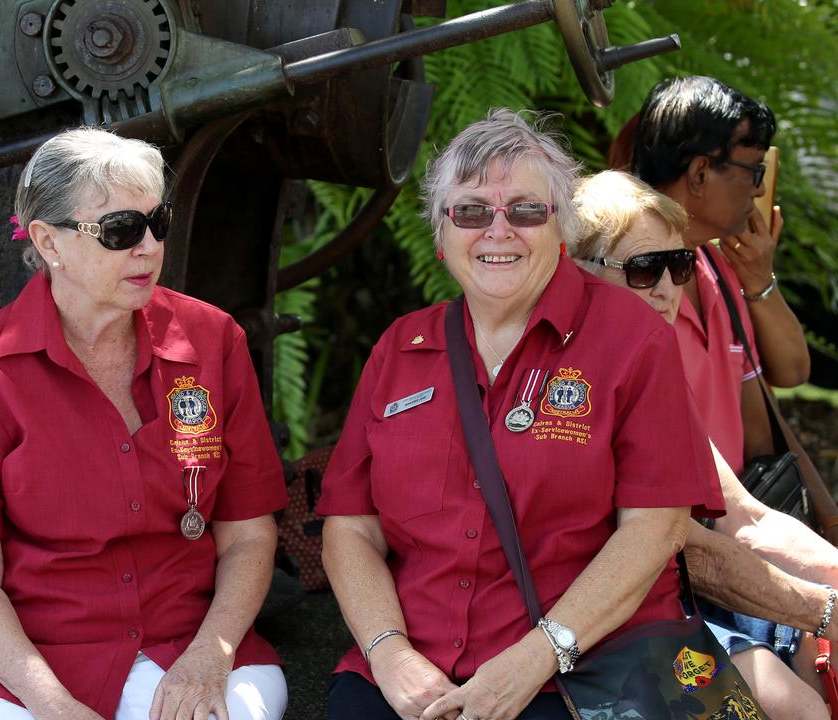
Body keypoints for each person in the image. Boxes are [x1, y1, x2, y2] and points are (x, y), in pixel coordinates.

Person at [317, 109, 724, 720]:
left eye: (526, 210)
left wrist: (538, 655)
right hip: (408, 678)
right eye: (472, 210)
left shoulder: (634, 341)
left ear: (559, 228)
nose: (497, 229)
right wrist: (389, 653)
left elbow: (655, 528)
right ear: (441, 233)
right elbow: (349, 528)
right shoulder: (400, 348)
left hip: (579, 675)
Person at [0, 127, 288, 720]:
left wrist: (209, 656)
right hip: (26, 663)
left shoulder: (213, 339)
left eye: (156, 222)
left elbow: (247, 534)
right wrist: (52, 705)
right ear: (48, 241)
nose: (148, 248)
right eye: (119, 231)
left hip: (182, 647)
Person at [571, 169, 831, 719]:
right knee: (797, 706)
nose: (668, 289)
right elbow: (683, 545)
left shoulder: (653, 376)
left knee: (815, 658)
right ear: (580, 274)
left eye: (679, 264)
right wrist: (825, 606)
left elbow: (745, 518)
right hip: (613, 626)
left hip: (685, 599)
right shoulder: (570, 394)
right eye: (644, 269)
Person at [632, 75, 810, 475]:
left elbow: (787, 381)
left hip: (732, 521)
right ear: (699, 173)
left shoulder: (715, 266)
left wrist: (759, 280)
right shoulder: (622, 276)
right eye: (753, 172)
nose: (759, 192)